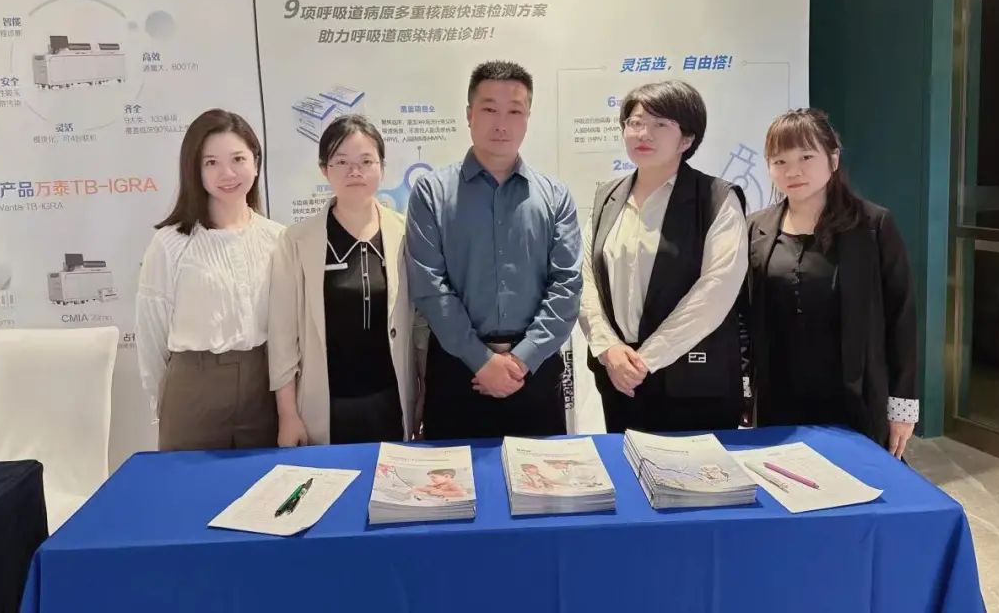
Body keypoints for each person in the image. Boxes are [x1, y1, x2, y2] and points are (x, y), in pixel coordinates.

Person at [406, 60, 583, 440]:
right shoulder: (431, 192)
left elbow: (567, 285)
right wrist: (481, 361)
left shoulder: (555, 196)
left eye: (514, 111)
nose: (501, 123)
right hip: (457, 369)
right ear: (469, 114)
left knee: (542, 474)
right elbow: (429, 286)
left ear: (528, 118)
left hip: (535, 371)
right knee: (452, 476)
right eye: (489, 109)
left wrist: (522, 359)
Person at [746, 108, 918, 457]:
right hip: (779, 396)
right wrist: (745, 391)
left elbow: (901, 317)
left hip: (853, 395)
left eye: (806, 157)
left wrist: (902, 408)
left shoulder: (873, 226)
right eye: (779, 161)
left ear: (833, 159)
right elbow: (745, 319)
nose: (793, 171)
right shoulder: (756, 228)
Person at [579, 81, 749, 434]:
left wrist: (647, 359)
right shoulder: (607, 196)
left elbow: (716, 290)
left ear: (686, 139)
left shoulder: (716, 198)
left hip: (692, 380)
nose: (644, 133)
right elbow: (586, 279)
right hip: (619, 377)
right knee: (625, 465)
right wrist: (608, 348)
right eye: (635, 122)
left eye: (660, 124)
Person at [268, 115, 425, 446]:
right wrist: (287, 415)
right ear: (324, 169)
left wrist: (423, 395)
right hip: (327, 406)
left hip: (391, 401)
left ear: (381, 167)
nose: (355, 171)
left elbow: (419, 325)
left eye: (366, 161)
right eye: (341, 162)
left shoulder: (405, 234)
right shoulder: (298, 241)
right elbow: (282, 338)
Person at [135, 109, 285, 451]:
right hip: (193, 389)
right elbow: (152, 334)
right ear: (194, 170)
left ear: (256, 162)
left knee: (262, 481)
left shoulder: (278, 238)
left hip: (263, 387)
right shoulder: (170, 243)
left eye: (238, 159)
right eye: (211, 163)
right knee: (188, 483)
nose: (227, 173)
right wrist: (165, 402)